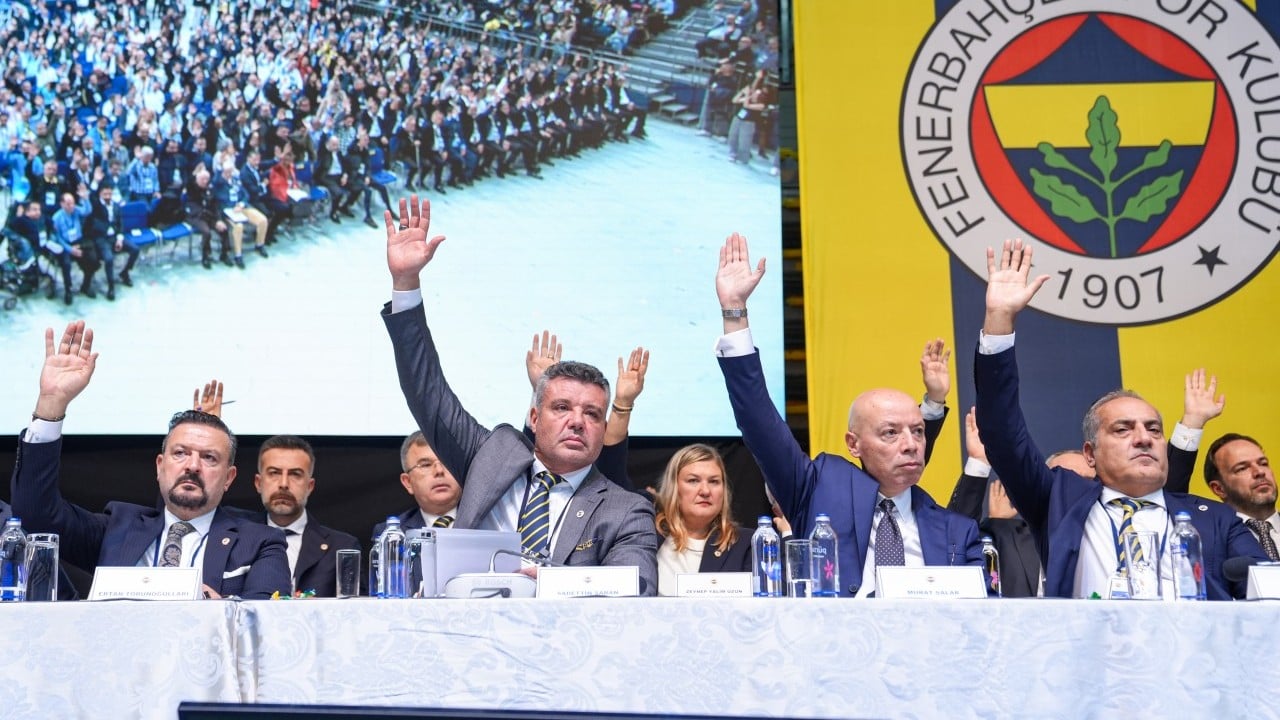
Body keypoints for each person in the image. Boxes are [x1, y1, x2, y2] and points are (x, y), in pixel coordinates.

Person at [380, 195, 659, 594]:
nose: (577, 421)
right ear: (534, 417)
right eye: (561, 407)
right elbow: (427, 391)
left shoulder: (626, 509)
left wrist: (551, 583)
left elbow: (640, 588)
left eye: (593, 414)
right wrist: (406, 284)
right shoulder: (491, 458)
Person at [973, 238, 1267, 599]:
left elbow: (1265, 590)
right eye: (1123, 429)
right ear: (1090, 454)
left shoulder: (1214, 518)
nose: (1144, 438)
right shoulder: (1059, 500)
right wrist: (999, 321)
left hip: (1191, 653)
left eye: (1153, 429)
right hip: (1092, 654)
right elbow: (1003, 432)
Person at [713, 233, 982, 597]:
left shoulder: (956, 531)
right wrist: (735, 313)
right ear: (853, 444)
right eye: (890, 433)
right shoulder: (819, 488)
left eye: (918, 432)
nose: (911, 445)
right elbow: (758, 421)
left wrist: (932, 404)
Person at [10, 322, 291, 599]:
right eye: (180, 453)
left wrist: (219, 610)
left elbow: (266, 624)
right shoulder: (118, 528)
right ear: (160, 466)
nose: (192, 466)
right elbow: (36, 515)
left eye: (209, 457)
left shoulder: (260, 542)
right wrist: (51, 405)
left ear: (229, 478)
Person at [251, 434, 361, 596]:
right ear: (258, 483)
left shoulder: (343, 547)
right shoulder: (240, 539)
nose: (283, 484)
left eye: (295, 474)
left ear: (310, 486)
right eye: (274, 473)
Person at [652, 443, 751, 595]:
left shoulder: (747, 544)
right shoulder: (647, 536)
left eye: (714, 481)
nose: (705, 491)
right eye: (693, 481)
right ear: (674, 488)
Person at [372, 431, 464, 541]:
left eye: (446, 461)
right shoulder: (390, 534)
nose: (439, 470)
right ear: (408, 482)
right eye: (426, 465)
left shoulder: (486, 523)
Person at [1202, 434, 1279, 561]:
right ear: (1219, 489)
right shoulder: (1210, 542)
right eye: (1242, 468)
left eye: (1263, 463)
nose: (1259, 472)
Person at [86, 183, 140, 301]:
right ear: (100, 194)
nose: (107, 196)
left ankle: (125, 273)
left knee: (135, 249)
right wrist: (95, 182)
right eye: (105, 194)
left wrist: (120, 239)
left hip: (115, 237)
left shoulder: (116, 206)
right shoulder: (96, 206)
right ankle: (111, 287)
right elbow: (91, 197)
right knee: (109, 259)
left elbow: (120, 224)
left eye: (109, 194)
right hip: (102, 238)